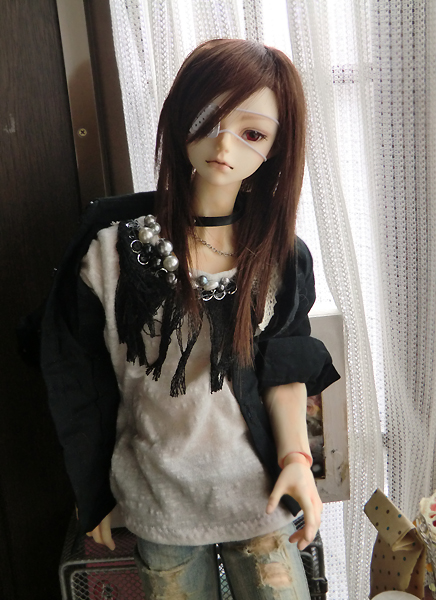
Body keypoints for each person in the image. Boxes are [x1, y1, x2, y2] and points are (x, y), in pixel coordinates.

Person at [40, 39, 340, 599]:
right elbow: (78, 381)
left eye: (253, 133)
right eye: (207, 121)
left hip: (258, 491)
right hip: (160, 493)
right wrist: (93, 490)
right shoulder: (110, 253)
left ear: (277, 147)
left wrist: (298, 459)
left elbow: (283, 369)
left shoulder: (278, 257)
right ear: (180, 119)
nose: (224, 144)